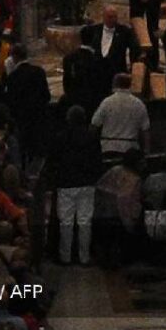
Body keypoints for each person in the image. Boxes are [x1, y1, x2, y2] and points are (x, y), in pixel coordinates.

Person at [54, 105, 102, 264]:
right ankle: (84, 257)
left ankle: (65, 256)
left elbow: (56, 161)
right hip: (87, 182)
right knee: (85, 221)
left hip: (66, 182)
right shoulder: (92, 137)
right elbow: (97, 160)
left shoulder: (61, 137)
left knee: (66, 222)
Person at [91, 73, 150, 159]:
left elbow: (95, 124)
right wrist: (146, 151)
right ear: (130, 84)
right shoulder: (139, 104)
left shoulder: (107, 102)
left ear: (115, 84)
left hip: (108, 147)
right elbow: (145, 130)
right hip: (131, 149)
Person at [80, 6, 140, 87]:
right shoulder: (93, 30)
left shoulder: (124, 31)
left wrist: (132, 67)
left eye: (115, 17)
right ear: (104, 17)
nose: (113, 20)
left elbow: (134, 48)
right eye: (110, 17)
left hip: (116, 70)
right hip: (96, 70)